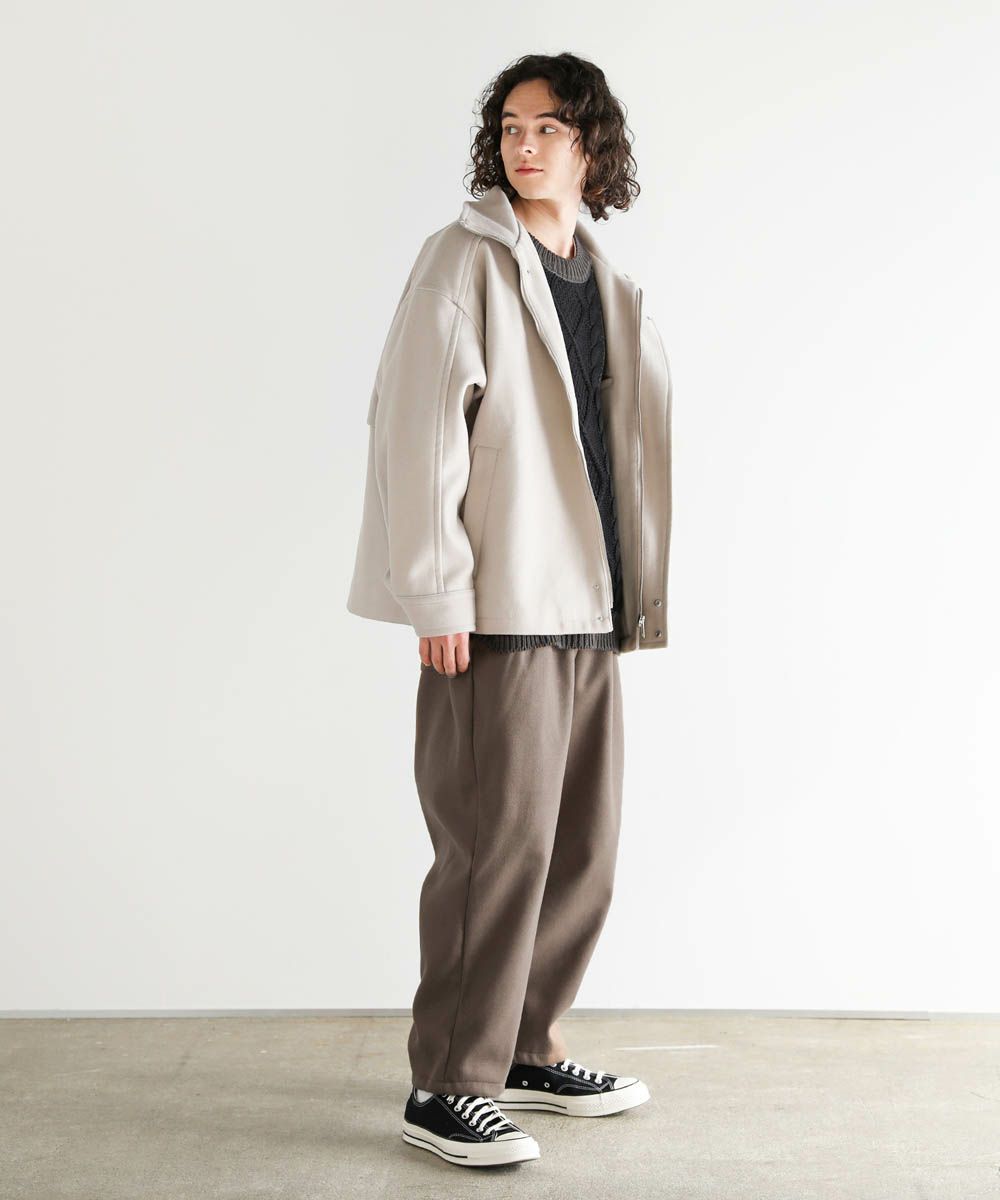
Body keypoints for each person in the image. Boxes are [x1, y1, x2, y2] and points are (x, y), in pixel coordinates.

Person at [346, 51, 673, 1168]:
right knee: (494, 850)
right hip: (498, 607)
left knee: (579, 851)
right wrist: (436, 589)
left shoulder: (601, 279)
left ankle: (526, 1046)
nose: (523, 146)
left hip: (588, 604)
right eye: (510, 128)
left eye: (548, 129)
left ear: (592, 148)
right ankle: (447, 1080)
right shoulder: (464, 261)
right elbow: (417, 430)